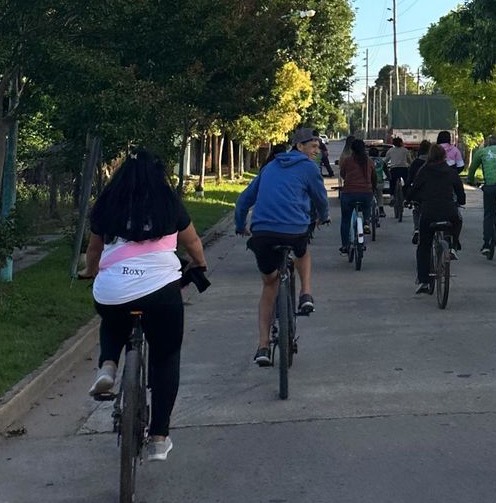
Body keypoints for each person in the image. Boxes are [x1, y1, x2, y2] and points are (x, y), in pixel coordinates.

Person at [82, 149, 208, 462]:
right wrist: (200, 264)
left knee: (112, 319)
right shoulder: (169, 203)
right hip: (160, 293)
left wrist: (89, 271)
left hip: (112, 292)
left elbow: (94, 248)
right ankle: (159, 437)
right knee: (166, 356)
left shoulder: (109, 203)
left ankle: (108, 364)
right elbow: (192, 242)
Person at [234, 127, 330, 367]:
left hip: (263, 232)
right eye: (312, 145)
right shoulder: (308, 168)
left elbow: (244, 200)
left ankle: (263, 346)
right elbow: (320, 197)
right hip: (295, 230)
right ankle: (306, 293)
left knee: (269, 284)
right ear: (299, 146)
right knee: (302, 251)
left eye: (318, 146)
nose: (316, 150)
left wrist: (239, 224)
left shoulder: (269, 168)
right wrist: (324, 216)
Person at [406, 144, 466, 293]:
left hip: (429, 212)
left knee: (424, 245)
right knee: (457, 221)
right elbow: (461, 194)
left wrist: (408, 199)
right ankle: (452, 245)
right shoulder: (451, 172)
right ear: (444, 156)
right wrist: (460, 200)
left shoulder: (424, 171)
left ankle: (424, 280)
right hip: (449, 211)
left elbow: (414, 190)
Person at [338, 139, 377, 254]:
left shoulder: (347, 161)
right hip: (366, 192)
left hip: (349, 193)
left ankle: (345, 245)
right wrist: (372, 189)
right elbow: (374, 177)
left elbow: (342, 174)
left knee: (345, 219)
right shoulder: (369, 161)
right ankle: (366, 222)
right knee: (366, 207)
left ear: (352, 149)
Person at [407, 139, 431, 244]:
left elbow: (409, 180)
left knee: (417, 210)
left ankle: (417, 228)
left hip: (418, 195)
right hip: (433, 196)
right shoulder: (434, 163)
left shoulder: (415, 163)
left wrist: (407, 196)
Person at [384, 137, 411, 201]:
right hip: (404, 169)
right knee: (407, 182)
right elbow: (410, 160)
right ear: (401, 143)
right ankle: (406, 196)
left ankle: (392, 196)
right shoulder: (405, 150)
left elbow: (385, 161)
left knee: (392, 182)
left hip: (394, 169)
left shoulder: (391, 150)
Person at [368, 146, 387, 218]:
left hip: (369, 183)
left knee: (369, 195)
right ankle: (381, 210)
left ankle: (369, 210)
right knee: (380, 195)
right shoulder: (381, 161)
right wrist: (389, 177)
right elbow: (386, 171)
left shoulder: (367, 161)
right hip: (379, 182)